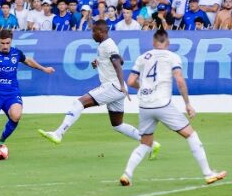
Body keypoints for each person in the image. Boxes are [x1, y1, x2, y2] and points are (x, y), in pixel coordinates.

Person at [119, 29, 227, 186]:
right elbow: (179, 80)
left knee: (145, 143)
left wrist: (143, 87)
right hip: (163, 105)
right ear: (168, 43)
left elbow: (130, 81)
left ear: (153, 43)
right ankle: (208, 173)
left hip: (145, 105)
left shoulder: (143, 57)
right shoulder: (172, 57)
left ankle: (126, 174)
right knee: (191, 135)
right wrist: (187, 104)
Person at [38, 20, 160, 157]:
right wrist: (100, 62)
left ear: (101, 32)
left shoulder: (108, 45)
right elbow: (120, 60)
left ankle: (58, 133)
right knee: (117, 125)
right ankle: (151, 144)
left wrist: (120, 84)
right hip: (117, 89)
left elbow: (117, 64)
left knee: (79, 103)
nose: (92, 34)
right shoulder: (106, 45)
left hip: (113, 86)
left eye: (93, 31)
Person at [0, 29, 55, 160]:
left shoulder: (16, 53)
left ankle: (1, 140)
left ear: (11, 41)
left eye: (8, 43)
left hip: (12, 93)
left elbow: (28, 60)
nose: (5, 46)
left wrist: (43, 69)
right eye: (3, 43)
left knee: (16, 115)